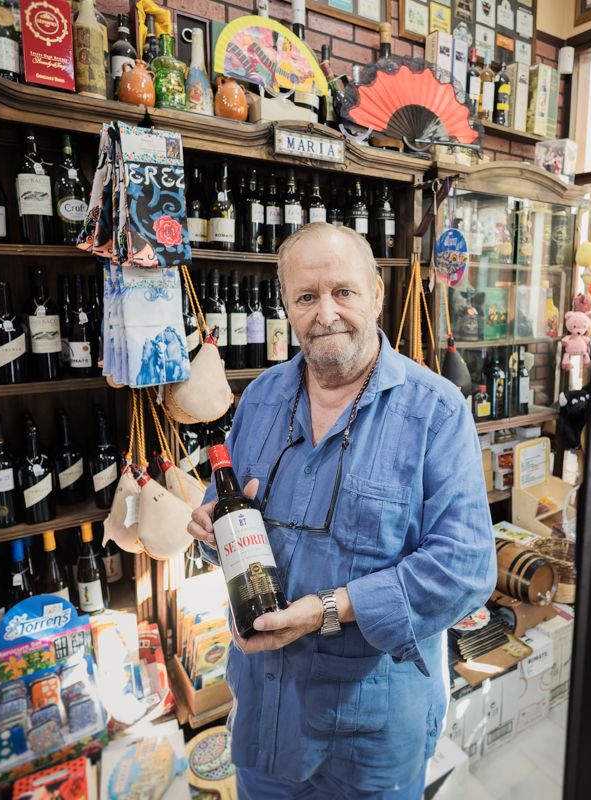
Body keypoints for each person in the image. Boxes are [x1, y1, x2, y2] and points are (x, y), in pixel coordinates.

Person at [188, 222, 496, 799]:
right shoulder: (259, 398)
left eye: (343, 292)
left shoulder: (436, 412)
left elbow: (465, 568)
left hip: (370, 738)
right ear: (286, 305)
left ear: (377, 294)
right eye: (306, 297)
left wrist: (327, 610)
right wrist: (211, 527)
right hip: (266, 720)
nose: (325, 312)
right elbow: (230, 513)